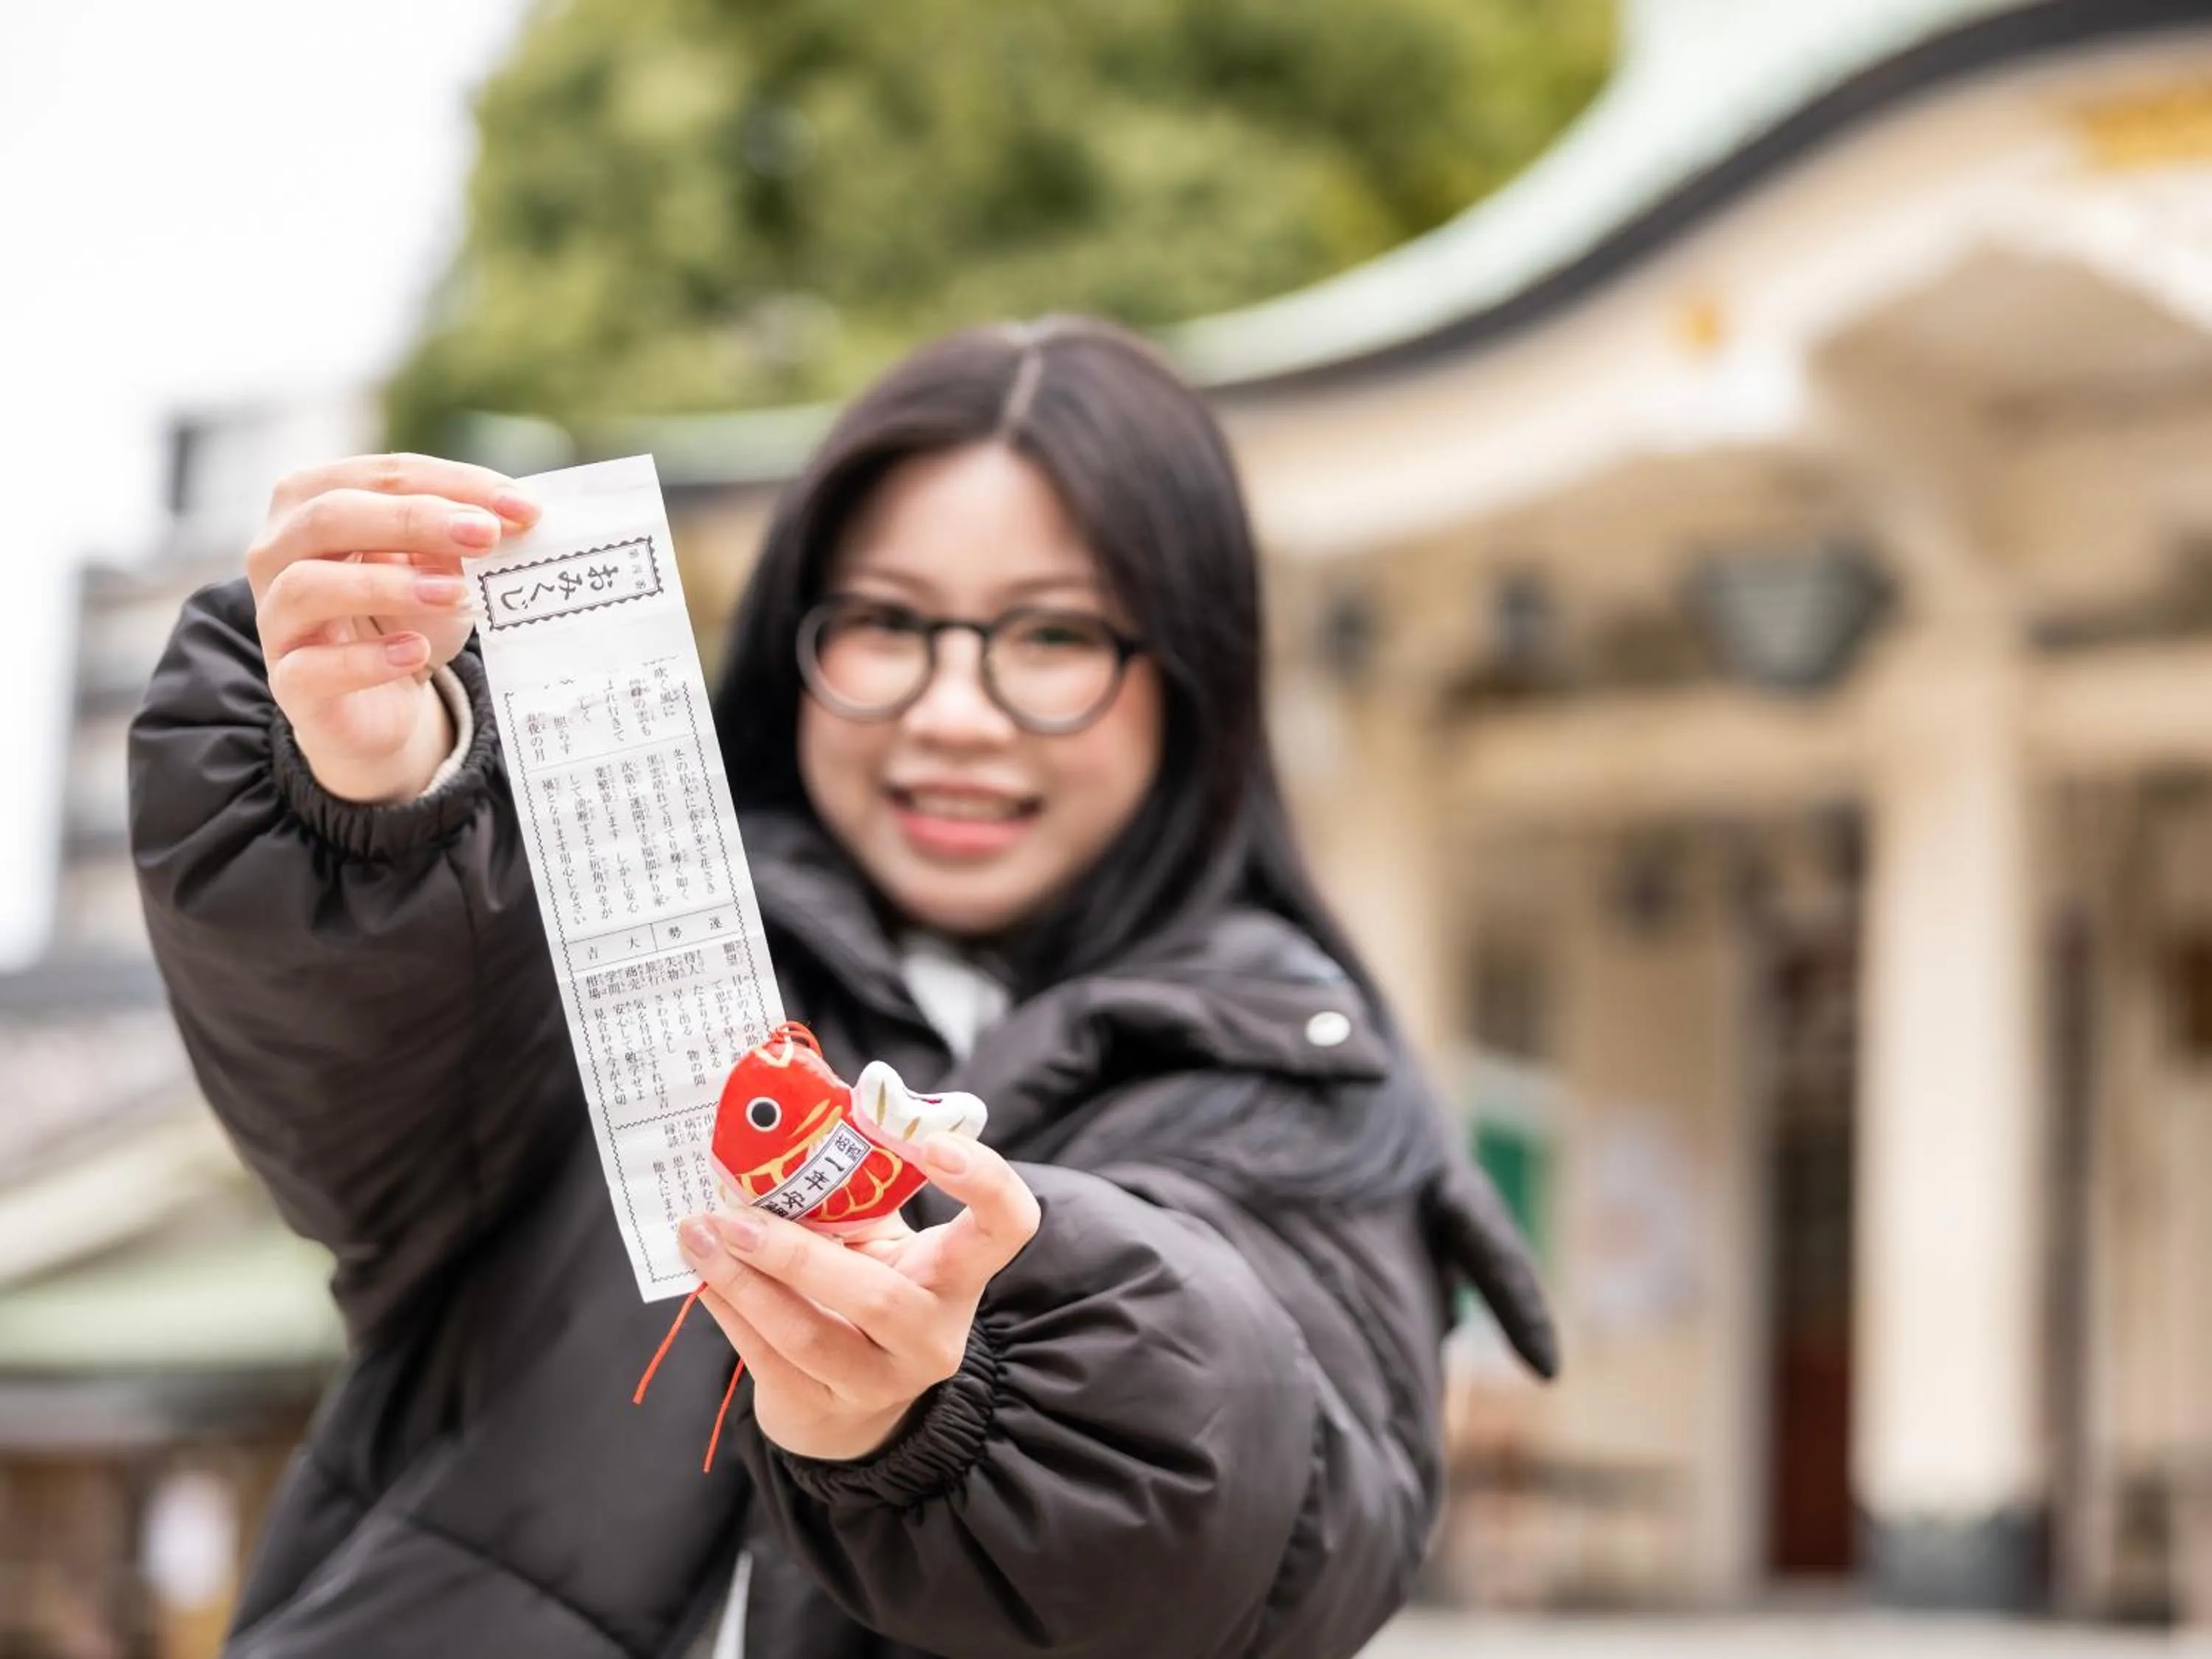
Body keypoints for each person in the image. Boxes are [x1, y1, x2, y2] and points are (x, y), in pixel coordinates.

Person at [129, 316, 1556, 1659]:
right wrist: (378, 790)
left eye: (1053, 636)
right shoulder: (574, 935)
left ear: (1192, 683)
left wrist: (969, 1388)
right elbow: (371, 1043)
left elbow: (1291, 1512)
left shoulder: (1301, 1080)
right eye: (885, 621)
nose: (951, 710)